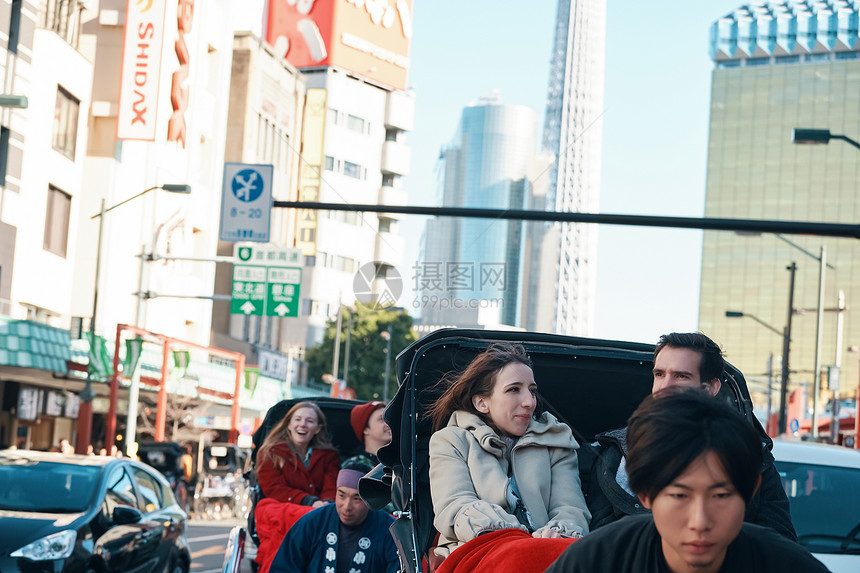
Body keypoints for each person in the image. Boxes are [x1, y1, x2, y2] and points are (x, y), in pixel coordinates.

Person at [545, 389, 829, 573]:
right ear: (644, 492)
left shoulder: (788, 566)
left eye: (720, 496)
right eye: (680, 495)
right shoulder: (597, 561)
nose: (700, 521)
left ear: (750, 491)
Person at [581, 332, 796, 542]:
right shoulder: (614, 452)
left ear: (711, 387)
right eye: (659, 374)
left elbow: (780, 543)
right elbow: (598, 541)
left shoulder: (751, 456)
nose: (665, 386)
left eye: (681, 376)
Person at [427, 342, 590, 560]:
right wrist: (516, 535)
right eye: (514, 389)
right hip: (480, 550)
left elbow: (570, 508)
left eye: (532, 391)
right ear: (482, 403)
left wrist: (556, 533)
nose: (529, 402)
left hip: (547, 551)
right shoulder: (451, 441)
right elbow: (455, 506)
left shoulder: (556, 441)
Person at [269, 460, 399, 573]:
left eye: (357, 499)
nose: (347, 506)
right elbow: (284, 567)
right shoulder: (313, 522)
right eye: (341, 495)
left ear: (369, 499)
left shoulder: (388, 529)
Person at [257, 401, 340, 507]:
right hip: (285, 514)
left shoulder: (329, 456)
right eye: (298, 419)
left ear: (317, 429)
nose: (303, 424)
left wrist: (327, 503)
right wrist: (308, 501)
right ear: (289, 425)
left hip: (320, 512)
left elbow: (331, 485)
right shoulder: (270, 453)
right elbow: (273, 488)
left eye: (309, 421)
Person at [348, 400, 391, 466]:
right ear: (365, 429)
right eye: (381, 419)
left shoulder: (399, 461)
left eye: (389, 419)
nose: (389, 424)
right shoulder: (353, 467)